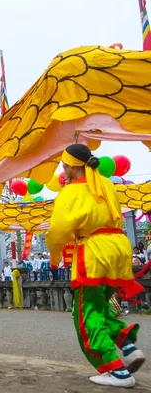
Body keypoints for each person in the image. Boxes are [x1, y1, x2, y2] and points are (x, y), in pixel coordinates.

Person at [46, 144, 145, 388]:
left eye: (64, 164)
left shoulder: (69, 193)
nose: (63, 168)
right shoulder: (106, 184)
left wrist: (55, 255)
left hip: (92, 253)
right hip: (118, 249)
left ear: (70, 166)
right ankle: (128, 346)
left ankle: (117, 371)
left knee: (85, 316)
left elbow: (58, 231)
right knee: (99, 308)